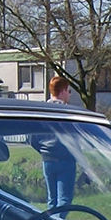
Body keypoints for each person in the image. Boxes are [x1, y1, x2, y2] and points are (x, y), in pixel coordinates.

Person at [38, 76, 76, 209]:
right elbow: (74, 139)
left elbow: (32, 137)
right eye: (69, 91)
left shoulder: (41, 111)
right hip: (65, 160)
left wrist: (43, 150)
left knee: (52, 200)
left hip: (47, 160)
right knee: (64, 201)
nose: (69, 95)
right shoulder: (67, 113)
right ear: (63, 91)